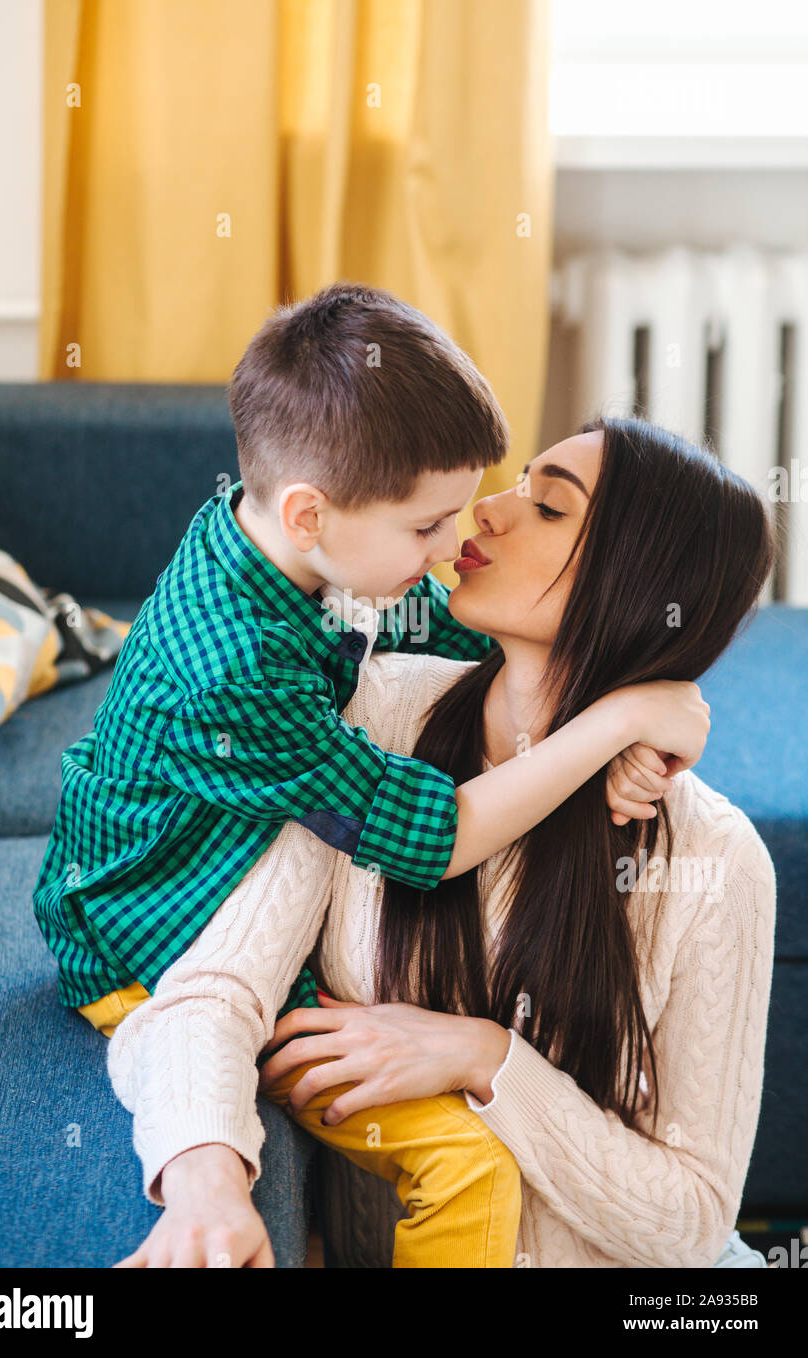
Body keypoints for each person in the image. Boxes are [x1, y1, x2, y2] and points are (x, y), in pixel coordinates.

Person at [106, 417, 775, 1269]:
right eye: (517, 483)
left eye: (548, 508)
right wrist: (207, 1182)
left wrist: (484, 1058)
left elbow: (691, 1222)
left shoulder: (715, 858)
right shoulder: (370, 718)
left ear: (637, 584)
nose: (488, 511)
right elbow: (213, 993)